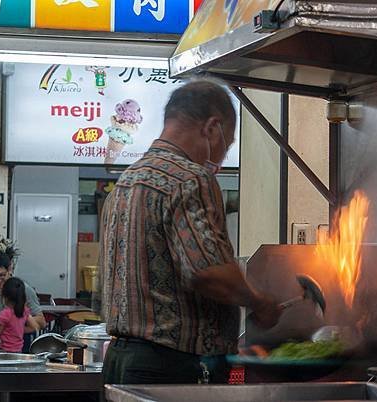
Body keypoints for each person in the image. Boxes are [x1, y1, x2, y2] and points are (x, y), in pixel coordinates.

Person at [99, 79, 282, 385]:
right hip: (172, 368)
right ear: (212, 127)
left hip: (122, 362)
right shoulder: (189, 179)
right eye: (228, 142)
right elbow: (206, 272)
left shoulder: (127, 182)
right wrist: (259, 301)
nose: (221, 158)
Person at [0, 252, 46, 351]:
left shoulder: (23, 289)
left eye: (1, 275)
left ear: (9, 269)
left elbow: (41, 322)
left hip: (21, 344)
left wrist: (15, 327)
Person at [0, 277, 39, 352]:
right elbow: (34, 327)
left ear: (4, 296)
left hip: (4, 351)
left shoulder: (5, 314)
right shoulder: (24, 311)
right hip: (18, 350)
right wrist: (17, 330)